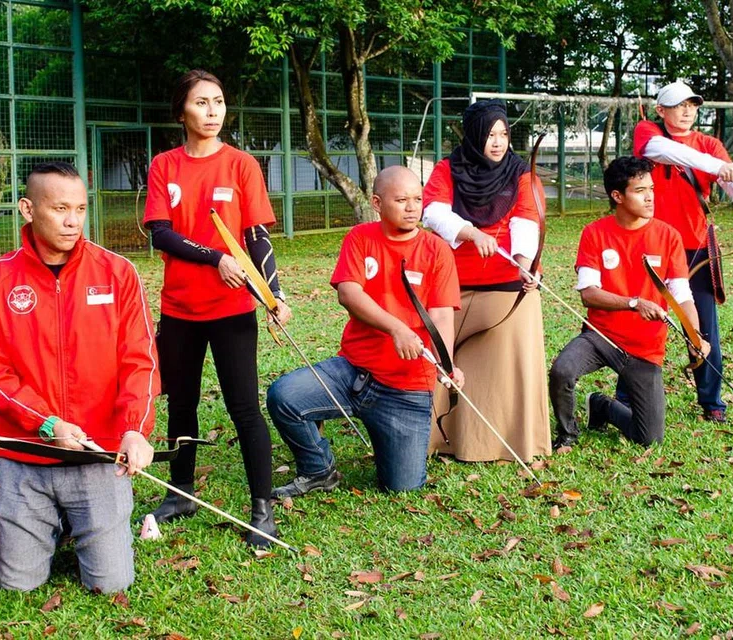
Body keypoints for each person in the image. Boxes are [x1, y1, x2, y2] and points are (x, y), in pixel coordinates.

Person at [0, 162, 160, 592]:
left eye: (80, 208)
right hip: (28, 456)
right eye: (59, 208)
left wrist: (134, 430)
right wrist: (47, 423)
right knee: (18, 585)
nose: (73, 221)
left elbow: (141, 360)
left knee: (111, 583)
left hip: (98, 456)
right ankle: (39, 522)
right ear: (27, 208)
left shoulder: (118, 272)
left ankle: (85, 524)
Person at [142, 69, 292, 547]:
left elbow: (256, 235)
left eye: (219, 102)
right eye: (202, 103)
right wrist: (215, 258)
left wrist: (274, 293)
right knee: (180, 404)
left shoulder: (241, 164)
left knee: (244, 407)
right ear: (181, 111)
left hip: (231, 309)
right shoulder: (164, 165)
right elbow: (160, 231)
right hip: (181, 308)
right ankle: (181, 492)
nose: (212, 112)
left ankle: (262, 509)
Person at [267, 166, 462, 496]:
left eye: (417, 199)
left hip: (407, 387)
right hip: (352, 372)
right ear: (377, 202)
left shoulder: (437, 250)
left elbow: (442, 316)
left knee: (402, 487)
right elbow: (349, 293)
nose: (412, 207)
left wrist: (446, 363)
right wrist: (396, 328)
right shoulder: (360, 238)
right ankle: (318, 470)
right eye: (401, 200)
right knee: (284, 396)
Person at [633, 81, 733, 423]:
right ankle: (629, 397)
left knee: (704, 327)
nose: (686, 111)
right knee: (642, 322)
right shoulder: (647, 133)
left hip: (696, 246)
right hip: (653, 245)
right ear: (660, 110)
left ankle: (712, 402)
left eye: (692, 105)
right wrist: (714, 166)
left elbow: (731, 180)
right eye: (678, 105)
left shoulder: (709, 144)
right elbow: (667, 152)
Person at [420, 99, 550, 461]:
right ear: (475, 135)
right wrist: (472, 233)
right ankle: (435, 439)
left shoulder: (520, 172)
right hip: (452, 282)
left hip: (508, 286)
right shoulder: (448, 168)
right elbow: (433, 211)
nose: (497, 142)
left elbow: (527, 218)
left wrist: (525, 264)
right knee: (437, 352)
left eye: (504, 134)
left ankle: (506, 442)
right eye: (490, 134)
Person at [548, 157, 710, 446]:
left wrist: (695, 337)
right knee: (562, 370)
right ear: (617, 196)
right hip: (600, 337)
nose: (650, 197)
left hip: (645, 347)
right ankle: (567, 435)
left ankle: (601, 405)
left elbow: (682, 296)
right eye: (640, 190)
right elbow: (588, 293)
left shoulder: (668, 236)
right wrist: (634, 303)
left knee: (649, 438)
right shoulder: (595, 232)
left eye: (651, 188)